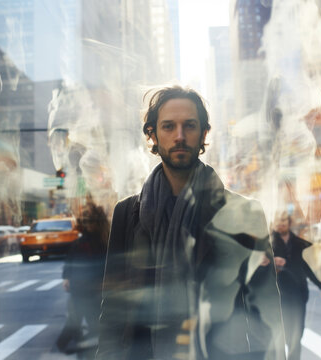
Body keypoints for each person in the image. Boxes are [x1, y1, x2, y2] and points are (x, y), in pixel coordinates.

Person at [97, 85, 285, 360]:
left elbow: (265, 315)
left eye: (190, 125)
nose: (180, 136)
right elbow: (113, 314)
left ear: (204, 133)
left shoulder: (245, 212)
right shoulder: (127, 214)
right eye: (169, 126)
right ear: (152, 135)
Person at [271, 211, 321, 360]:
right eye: (278, 220)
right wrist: (272, 262)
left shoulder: (299, 243)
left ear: (289, 223)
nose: (281, 223)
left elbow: (307, 267)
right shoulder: (268, 243)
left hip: (298, 294)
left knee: (297, 334)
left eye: (284, 220)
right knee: (279, 334)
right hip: (278, 295)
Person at [56, 203, 110, 353]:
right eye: (86, 221)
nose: (88, 225)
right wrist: (66, 277)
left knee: (91, 321)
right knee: (77, 320)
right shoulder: (81, 242)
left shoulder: (104, 241)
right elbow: (71, 260)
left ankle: (80, 347)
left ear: (98, 223)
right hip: (81, 288)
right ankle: (72, 345)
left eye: (91, 221)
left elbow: (106, 263)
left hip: (94, 289)